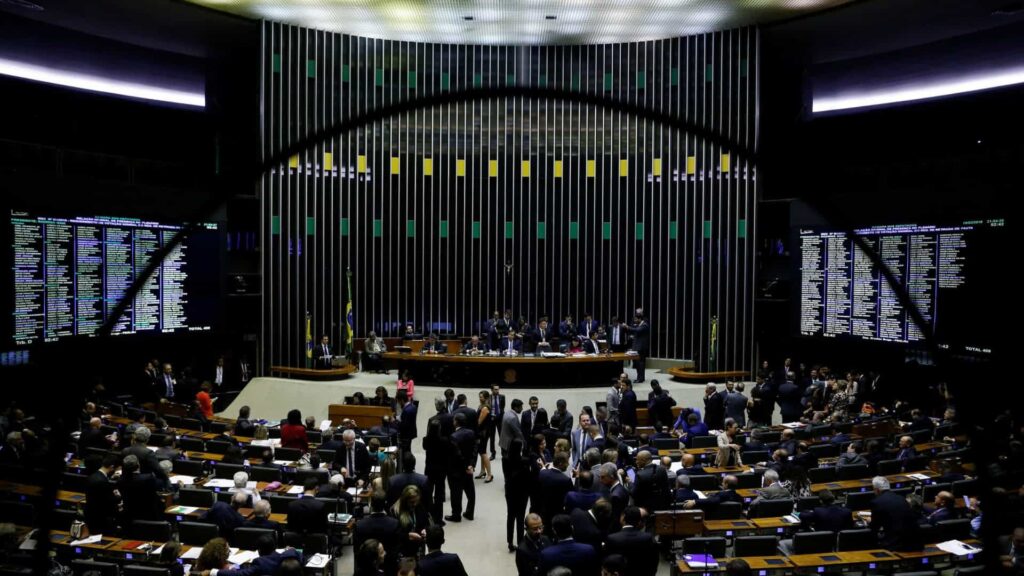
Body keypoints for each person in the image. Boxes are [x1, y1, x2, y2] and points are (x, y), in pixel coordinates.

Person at [868, 476, 922, 551]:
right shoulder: (901, 498)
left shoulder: (876, 502)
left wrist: (870, 521)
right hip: (914, 542)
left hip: (896, 544)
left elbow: (875, 527)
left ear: (876, 490)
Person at [605, 506, 658, 576]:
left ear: (623, 517)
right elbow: (653, 562)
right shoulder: (647, 538)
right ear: (639, 521)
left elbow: (607, 564)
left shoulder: (611, 538)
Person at [447, 412, 477, 523]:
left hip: (456, 470)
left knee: (456, 493)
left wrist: (465, 466)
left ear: (456, 422)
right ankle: (470, 512)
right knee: (470, 492)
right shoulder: (471, 433)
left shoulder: (453, 436)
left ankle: (456, 515)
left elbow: (457, 454)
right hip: (468, 468)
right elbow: (475, 450)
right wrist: (471, 465)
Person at [84, 454, 120, 535]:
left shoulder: (93, 476)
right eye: (115, 469)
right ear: (111, 467)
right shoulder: (102, 481)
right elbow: (109, 500)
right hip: (101, 518)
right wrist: (118, 496)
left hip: (90, 514)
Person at [392, 485, 430, 557]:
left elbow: (426, 522)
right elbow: (393, 534)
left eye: (417, 501)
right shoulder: (395, 512)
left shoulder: (419, 506)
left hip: (418, 548)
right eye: (412, 502)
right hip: (403, 551)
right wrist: (407, 536)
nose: (415, 504)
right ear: (405, 501)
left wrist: (425, 530)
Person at [622, 313, 650, 382]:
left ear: (640, 319)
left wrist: (627, 326)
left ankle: (640, 378)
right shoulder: (639, 325)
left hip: (641, 348)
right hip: (637, 347)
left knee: (640, 363)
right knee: (637, 363)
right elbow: (634, 330)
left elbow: (637, 330)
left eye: (635, 319)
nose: (634, 320)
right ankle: (639, 377)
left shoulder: (644, 325)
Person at [476, 390, 495, 482]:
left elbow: (479, 422)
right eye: (479, 397)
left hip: (483, 433)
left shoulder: (485, 408)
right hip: (482, 432)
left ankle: (489, 475)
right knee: (481, 452)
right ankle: (482, 471)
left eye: (481, 397)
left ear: (486, 398)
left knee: (483, 452)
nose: (480, 398)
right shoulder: (481, 406)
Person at [397, 390, 417, 470]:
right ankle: (410, 466)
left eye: (399, 401)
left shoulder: (406, 410)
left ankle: (406, 468)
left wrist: (396, 422)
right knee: (408, 450)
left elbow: (403, 426)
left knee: (405, 452)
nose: (399, 404)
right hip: (410, 433)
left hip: (405, 435)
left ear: (402, 400)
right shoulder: (413, 406)